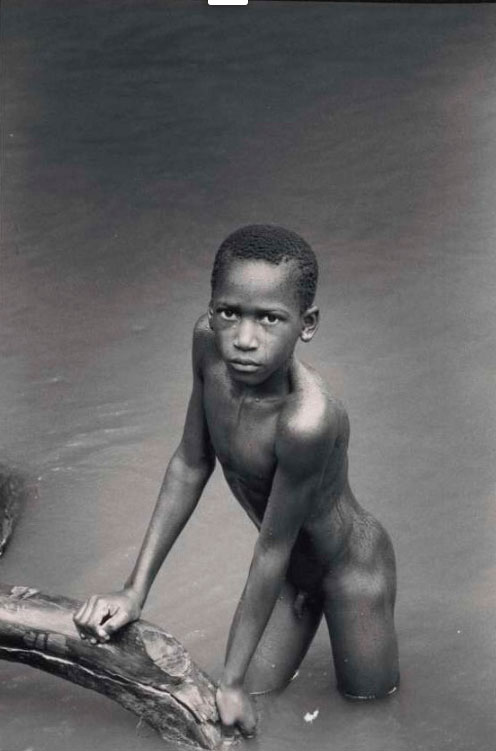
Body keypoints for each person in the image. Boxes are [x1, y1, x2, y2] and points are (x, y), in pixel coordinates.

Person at [74, 224, 399, 736]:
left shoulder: (307, 421)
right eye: (230, 313)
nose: (244, 339)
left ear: (307, 324)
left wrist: (231, 679)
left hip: (351, 574)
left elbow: (271, 547)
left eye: (270, 319)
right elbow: (189, 462)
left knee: (371, 720)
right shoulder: (208, 348)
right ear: (210, 310)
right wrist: (133, 593)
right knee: (246, 710)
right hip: (292, 577)